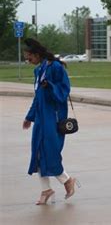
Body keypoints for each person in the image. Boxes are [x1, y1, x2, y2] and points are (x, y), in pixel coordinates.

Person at [22, 38, 78, 205]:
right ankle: (46, 189)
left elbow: (64, 88)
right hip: (40, 118)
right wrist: (29, 117)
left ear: (37, 55)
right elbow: (37, 97)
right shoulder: (38, 71)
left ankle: (67, 181)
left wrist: (51, 86)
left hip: (53, 117)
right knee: (38, 153)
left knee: (50, 152)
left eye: (29, 57)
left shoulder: (55, 67)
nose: (28, 61)